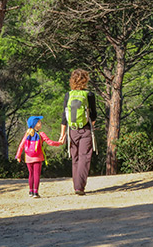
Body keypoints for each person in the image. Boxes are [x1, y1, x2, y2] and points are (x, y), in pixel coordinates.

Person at [58, 68, 97, 196]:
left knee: (75, 158)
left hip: (71, 131)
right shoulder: (89, 95)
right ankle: (80, 187)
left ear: (72, 81)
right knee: (84, 157)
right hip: (85, 129)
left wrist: (62, 135)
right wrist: (90, 125)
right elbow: (94, 115)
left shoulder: (68, 95)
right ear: (85, 80)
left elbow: (64, 117)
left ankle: (76, 186)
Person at [15, 115, 62, 198]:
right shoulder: (41, 134)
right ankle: (36, 192)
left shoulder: (27, 134)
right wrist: (59, 143)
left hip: (28, 158)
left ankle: (30, 191)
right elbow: (50, 142)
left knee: (31, 174)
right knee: (36, 174)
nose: (41, 123)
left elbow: (21, 145)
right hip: (38, 158)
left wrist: (18, 156)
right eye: (39, 122)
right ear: (35, 124)